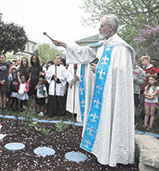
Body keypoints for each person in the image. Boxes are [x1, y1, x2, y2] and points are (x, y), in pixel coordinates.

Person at [53, 14, 135, 167]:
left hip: (113, 96)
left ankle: (112, 153)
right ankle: (101, 150)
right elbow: (83, 53)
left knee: (110, 119)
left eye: (102, 25)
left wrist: (99, 68)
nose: (99, 28)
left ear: (111, 27)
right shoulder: (102, 46)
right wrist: (63, 44)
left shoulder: (121, 48)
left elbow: (121, 73)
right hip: (102, 95)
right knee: (102, 120)